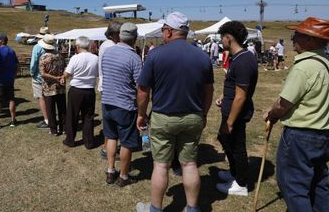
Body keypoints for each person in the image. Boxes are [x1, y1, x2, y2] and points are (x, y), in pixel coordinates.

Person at [136, 12, 214, 212]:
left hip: (163, 117)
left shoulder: (155, 55)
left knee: (161, 165)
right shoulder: (202, 56)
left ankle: (155, 208)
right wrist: (203, 114)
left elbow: (143, 91)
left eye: (163, 30)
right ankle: (192, 208)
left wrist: (141, 114)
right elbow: (209, 91)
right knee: (189, 164)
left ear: (169, 31)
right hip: (193, 116)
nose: (163, 33)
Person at [263, 17, 329, 212]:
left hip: (301, 136)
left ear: (312, 40)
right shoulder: (325, 62)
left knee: (293, 186)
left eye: (298, 35)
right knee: (319, 183)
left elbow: (284, 104)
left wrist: (272, 114)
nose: (293, 39)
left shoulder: (304, 67)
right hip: (323, 134)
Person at [215, 21, 258, 196]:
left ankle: (241, 183)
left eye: (222, 38)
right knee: (225, 139)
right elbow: (236, 89)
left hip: (237, 114)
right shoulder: (238, 58)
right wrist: (225, 97)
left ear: (229, 38)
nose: (221, 41)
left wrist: (230, 122)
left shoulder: (244, 60)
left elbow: (241, 96)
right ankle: (234, 173)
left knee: (237, 147)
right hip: (231, 109)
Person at [101, 22, 142, 187]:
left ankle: (110, 170)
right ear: (135, 38)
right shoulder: (134, 57)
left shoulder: (107, 52)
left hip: (107, 101)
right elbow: (141, 86)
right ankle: (124, 176)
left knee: (111, 137)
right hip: (124, 104)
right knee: (126, 142)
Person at [61, 36, 99, 149]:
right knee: (88, 116)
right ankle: (89, 142)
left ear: (78, 47)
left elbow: (67, 73)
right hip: (89, 90)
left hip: (76, 90)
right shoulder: (95, 58)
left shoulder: (75, 58)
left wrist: (63, 77)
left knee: (72, 116)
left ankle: (70, 140)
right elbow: (97, 74)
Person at [98, 20, 122, 159]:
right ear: (114, 34)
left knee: (110, 119)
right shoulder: (110, 46)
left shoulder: (106, 45)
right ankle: (107, 149)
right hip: (110, 85)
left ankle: (107, 148)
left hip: (106, 84)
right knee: (112, 120)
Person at [0, 34, 18, 129]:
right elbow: (17, 65)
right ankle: (13, 120)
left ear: (1, 41)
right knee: (11, 99)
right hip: (9, 79)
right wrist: (14, 75)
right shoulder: (12, 51)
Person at [39, 34, 66, 135]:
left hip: (48, 87)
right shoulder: (60, 56)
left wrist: (55, 78)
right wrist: (61, 78)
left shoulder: (43, 57)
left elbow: (43, 74)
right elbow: (65, 68)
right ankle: (64, 128)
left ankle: (53, 130)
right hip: (60, 86)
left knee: (50, 109)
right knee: (62, 108)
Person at [30, 26, 50, 129]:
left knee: (41, 97)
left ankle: (47, 120)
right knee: (49, 97)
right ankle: (50, 118)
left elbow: (33, 63)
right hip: (51, 75)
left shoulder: (37, 47)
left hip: (39, 76)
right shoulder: (53, 45)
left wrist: (32, 73)